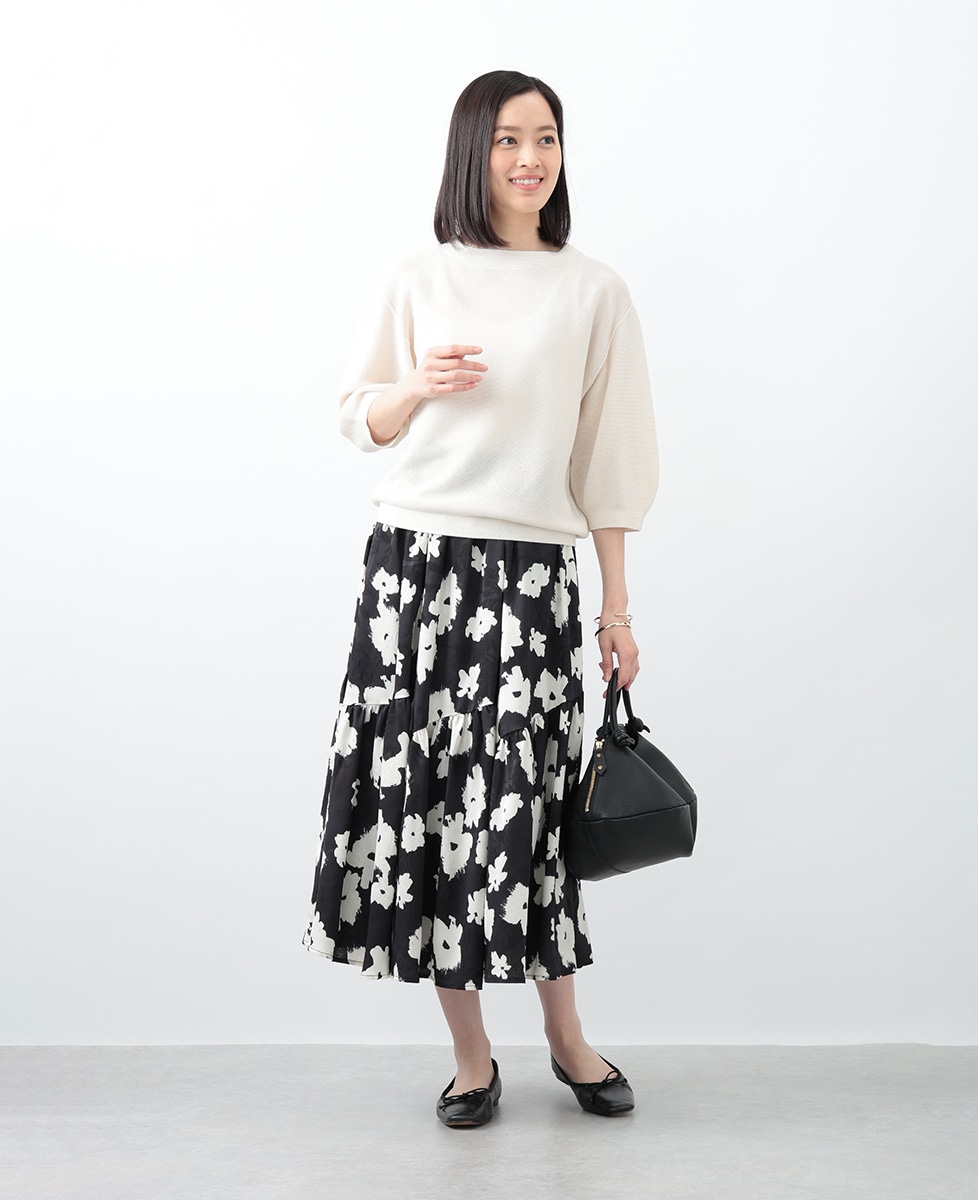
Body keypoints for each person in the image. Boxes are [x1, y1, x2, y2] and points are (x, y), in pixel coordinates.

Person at [303, 69, 658, 1128]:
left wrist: (617, 609)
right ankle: (470, 1057)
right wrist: (417, 387)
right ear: (474, 151)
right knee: (425, 805)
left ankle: (567, 1037)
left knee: (532, 806)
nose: (529, 158)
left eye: (545, 137)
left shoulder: (593, 291)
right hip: (413, 571)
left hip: (531, 574)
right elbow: (358, 416)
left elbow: (609, 462)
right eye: (507, 139)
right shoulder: (420, 275)